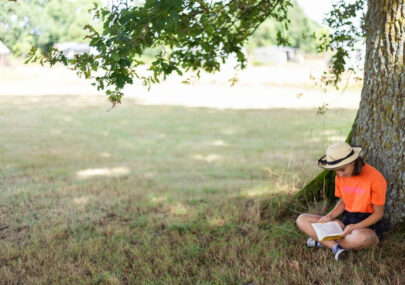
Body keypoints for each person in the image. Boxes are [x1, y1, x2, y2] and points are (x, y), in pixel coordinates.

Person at [296, 142, 387, 260]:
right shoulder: (340, 176)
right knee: (302, 219)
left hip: (367, 226)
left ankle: (324, 242)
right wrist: (329, 216)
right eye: (335, 171)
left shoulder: (375, 178)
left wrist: (353, 227)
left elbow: (378, 214)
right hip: (346, 223)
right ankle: (337, 248)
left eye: (342, 169)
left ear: (353, 161)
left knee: (360, 238)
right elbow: (344, 202)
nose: (339, 174)